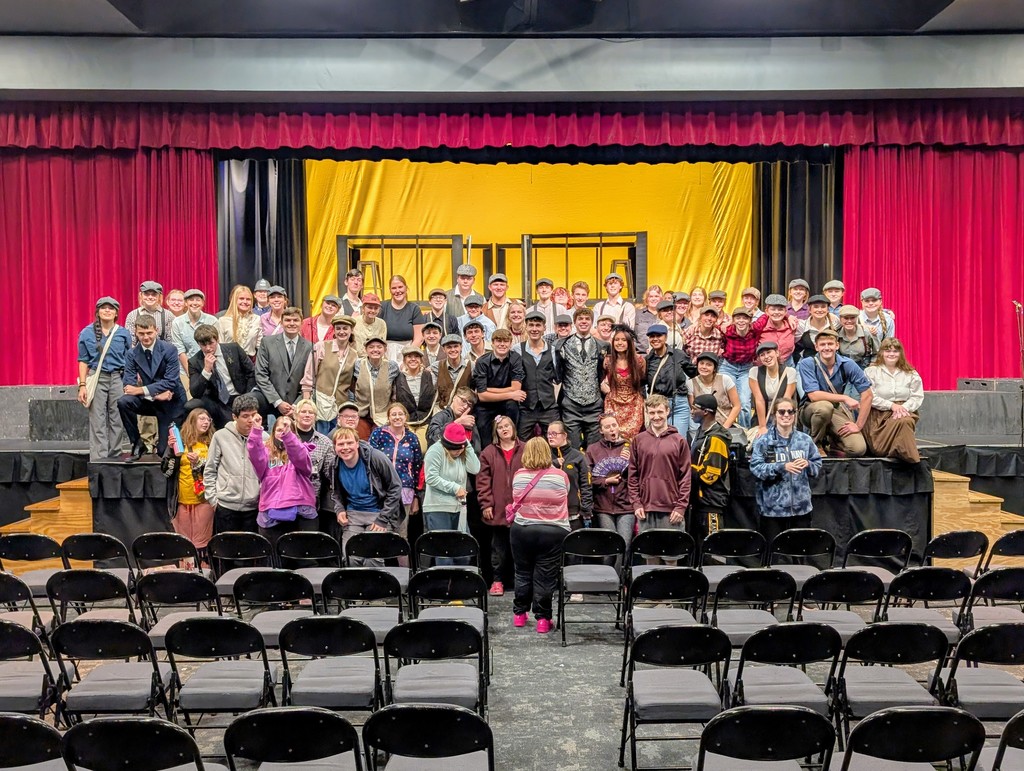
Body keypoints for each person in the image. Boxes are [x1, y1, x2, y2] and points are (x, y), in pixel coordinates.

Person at [508, 436, 570, 634]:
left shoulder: (518, 475)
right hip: (553, 532)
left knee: (522, 572)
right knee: (545, 577)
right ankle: (543, 620)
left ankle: (519, 614)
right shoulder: (560, 476)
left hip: (522, 530)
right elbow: (566, 494)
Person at [749, 397, 822, 543]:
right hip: (772, 510)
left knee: (800, 553)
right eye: (782, 412)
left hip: (801, 509)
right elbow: (756, 468)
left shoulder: (805, 440)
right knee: (772, 555)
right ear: (774, 415)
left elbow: (817, 465)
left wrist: (808, 464)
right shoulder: (764, 441)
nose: (786, 415)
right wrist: (782, 467)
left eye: (791, 411)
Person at [628, 395, 692, 557]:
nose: (656, 417)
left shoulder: (679, 441)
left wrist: (681, 506)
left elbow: (685, 477)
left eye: (660, 412)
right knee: (650, 559)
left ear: (668, 412)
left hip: (672, 510)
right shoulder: (638, 440)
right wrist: (636, 504)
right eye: (652, 412)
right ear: (647, 414)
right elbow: (632, 475)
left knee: (672, 559)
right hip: (646, 510)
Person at [118, 314, 186, 458]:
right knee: (123, 402)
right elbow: (128, 386)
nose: (146, 337)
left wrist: (141, 390)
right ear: (136, 333)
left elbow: (171, 381)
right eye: (141, 334)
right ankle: (137, 443)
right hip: (152, 400)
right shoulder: (131, 354)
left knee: (164, 451)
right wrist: (153, 394)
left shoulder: (170, 349)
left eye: (149, 333)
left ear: (156, 330)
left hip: (171, 401)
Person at [796, 328, 873, 457]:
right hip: (810, 410)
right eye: (822, 344)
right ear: (816, 347)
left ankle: (833, 443)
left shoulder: (848, 364)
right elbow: (814, 395)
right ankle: (816, 444)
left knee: (858, 449)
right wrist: (844, 398)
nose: (826, 348)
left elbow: (868, 395)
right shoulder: (807, 363)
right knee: (825, 407)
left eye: (830, 344)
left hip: (834, 411)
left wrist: (858, 425)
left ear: (837, 345)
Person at [329, 426, 403, 558]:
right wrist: (339, 509)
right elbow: (335, 492)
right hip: (353, 514)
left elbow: (395, 487)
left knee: (372, 558)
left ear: (357, 443)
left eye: (350, 443)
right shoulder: (334, 465)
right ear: (335, 447)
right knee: (350, 556)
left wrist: (383, 519)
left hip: (378, 512)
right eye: (340, 444)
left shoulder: (375, 458)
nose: (345, 447)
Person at [246, 415, 318, 549]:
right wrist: (256, 431)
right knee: (275, 561)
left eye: (287, 429)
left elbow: (301, 460)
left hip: (301, 510)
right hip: (270, 511)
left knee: (305, 559)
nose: (283, 432)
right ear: (272, 433)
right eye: (279, 429)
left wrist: (288, 437)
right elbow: (254, 452)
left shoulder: (302, 449)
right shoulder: (265, 452)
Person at [77, 296, 132, 460]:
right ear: (98, 312)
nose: (107, 310)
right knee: (97, 419)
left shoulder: (123, 333)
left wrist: (129, 382)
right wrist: (82, 385)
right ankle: (99, 458)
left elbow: (130, 358)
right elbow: (83, 360)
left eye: (111, 308)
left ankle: (114, 455)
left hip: (118, 377)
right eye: (104, 308)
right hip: (97, 377)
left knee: (117, 417)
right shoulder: (87, 332)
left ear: (116, 313)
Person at [476, 415, 524, 596]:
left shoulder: (525, 449)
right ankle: (497, 581)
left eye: (507, 426)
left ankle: (521, 581)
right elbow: (482, 481)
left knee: (521, 548)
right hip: (498, 509)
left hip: (521, 509)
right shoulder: (488, 452)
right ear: (496, 432)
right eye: (500, 427)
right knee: (498, 549)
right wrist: (486, 504)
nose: (504, 429)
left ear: (513, 427)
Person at [161, 408, 215, 562]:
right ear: (192, 421)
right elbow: (166, 472)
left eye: (208, 419)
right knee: (184, 544)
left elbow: (218, 470)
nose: (206, 422)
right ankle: (186, 576)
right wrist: (171, 451)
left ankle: (203, 574)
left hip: (204, 501)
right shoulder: (180, 442)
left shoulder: (212, 442)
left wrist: (199, 463)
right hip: (181, 501)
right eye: (202, 419)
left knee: (201, 544)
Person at [369, 402, 424, 553]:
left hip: (405, 490)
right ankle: (381, 570)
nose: (397, 417)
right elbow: (369, 460)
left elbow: (418, 466)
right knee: (380, 532)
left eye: (400, 414)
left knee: (401, 535)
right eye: (393, 414)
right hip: (381, 490)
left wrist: (416, 497)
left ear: (406, 417)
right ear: (388, 417)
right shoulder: (378, 434)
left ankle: (403, 574)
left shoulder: (412, 438)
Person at [204, 394, 263, 534]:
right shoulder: (221, 436)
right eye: (245, 416)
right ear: (234, 417)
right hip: (225, 506)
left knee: (250, 554)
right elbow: (210, 469)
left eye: (254, 415)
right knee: (226, 553)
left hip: (253, 507)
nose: (250, 420)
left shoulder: (264, 437)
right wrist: (213, 500)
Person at [555, 307, 608, 451]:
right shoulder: (561, 345)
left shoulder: (603, 345)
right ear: (574, 322)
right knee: (572, 448)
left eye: (587, 319)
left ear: (592, 322)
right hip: (571, 403)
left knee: (594, 449)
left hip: (594, 403)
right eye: (580, 319)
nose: (584, 322)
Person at [863, 338, 924, 464]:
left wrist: (903, 408)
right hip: (878, 414)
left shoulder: (911, 373)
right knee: (880, 448)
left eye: (895, 351)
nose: (891, 354)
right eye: (887, 350)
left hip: (904, 411)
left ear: (901, 353)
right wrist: (891, 406)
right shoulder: (871, 372)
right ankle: (912, 459)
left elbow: (917, 396)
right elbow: (870, 396)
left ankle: (908, 457)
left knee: (905, 420)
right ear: (881, 353)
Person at [422, 422, 481, 548]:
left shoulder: (462, 450)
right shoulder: (435, 451)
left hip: (459, 507)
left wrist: (466, 445)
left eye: (461, 448)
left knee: (463, 551)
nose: (458, 452)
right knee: (444, 554)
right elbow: (431, 478)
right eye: (455, 449)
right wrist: (455, 488)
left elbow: (475, 469)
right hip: (438, 508)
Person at [186, 324, 255, 429]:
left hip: (240, 394)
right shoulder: (194, 361)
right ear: (198, 344)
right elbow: (195, 392)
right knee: (190, 406)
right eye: (203, 345)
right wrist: (206, 370)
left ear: (217, 340)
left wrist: (247, 395)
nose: (208, 348)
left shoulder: (233, 349)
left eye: (211, 343)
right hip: (217, 400)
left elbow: (251, 372)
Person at [586, 413, 635, 558]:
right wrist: (605, 481)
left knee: (624, 546)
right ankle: (607, 578)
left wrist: (628, 468)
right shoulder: (592, 449)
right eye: (607, 427)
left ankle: (621, 579)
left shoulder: (630, 447)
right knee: (609, 548)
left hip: (626, 506)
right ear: (601, 431)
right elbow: (588, 479)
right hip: (603, 507)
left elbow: (638, 475)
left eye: (614, 425)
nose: (612, 429)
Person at [253, 306, 312, 423]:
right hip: (270, 399)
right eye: (287, 320)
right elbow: (261, 374)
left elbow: (310, 379)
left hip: (297, 402)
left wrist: (296, 406)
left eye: (295, 320)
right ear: (281, 322)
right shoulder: (267, 343)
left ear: (301, 323)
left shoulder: (310, 347)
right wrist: (277, 402)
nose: (291, 323)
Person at [301, 313, 357, 435]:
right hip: (321, 404)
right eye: (338, 328)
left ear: (351, 330)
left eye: (345, 328)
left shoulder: (354, 354)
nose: (341, 331)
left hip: (340, 406)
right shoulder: (321, 347)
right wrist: (307, 403)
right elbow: (309, 376)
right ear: (334, 330)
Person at [472, 328, 526, 446]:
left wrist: (489, 389)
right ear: (492, 343)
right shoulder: (482, 362)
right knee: (483, 433)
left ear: (510, 343)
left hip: (506, 404)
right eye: (498, 341)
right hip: (486, 407)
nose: (502, 344)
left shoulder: (515, 358)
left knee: (512, 406)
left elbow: (516, 388)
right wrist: (511, 394)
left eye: (505, 341)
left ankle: (511, 446)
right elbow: (482, 396)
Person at [292, 399, 337, 538]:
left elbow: (331, 473)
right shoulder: (287, 437)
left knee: (308, 543)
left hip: (311, 500)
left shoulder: (325, 442)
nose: (307, 415)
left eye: (311, 412)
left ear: (315, 417)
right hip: (287, 499)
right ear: (295, 415)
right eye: (303, 412)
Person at [689, 394, 732, 540]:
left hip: (711, 504)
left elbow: (709, 475)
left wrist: (685, 468)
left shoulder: (717, 438)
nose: (691, 411)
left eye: (695, 408)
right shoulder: (700, 432)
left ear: (706, 411)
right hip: (698, 502)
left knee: (713, 549)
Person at [517, 310, 560, 441]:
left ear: (544, 328)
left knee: (556, 440)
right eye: (531, 325)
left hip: (549, 407)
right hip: (526, 407)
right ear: (526, 327)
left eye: (538, 325)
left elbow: (558, 378)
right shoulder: (517, 349)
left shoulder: (553, 350)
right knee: (521, 443)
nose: (534, 329)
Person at [644, 323, 695, 431]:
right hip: (657, 406)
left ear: (666, 337)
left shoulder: (679, 355)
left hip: (679, 404)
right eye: (652, 336)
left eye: (659, 336)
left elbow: (694, 374)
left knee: (678, 438)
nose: (655, 339)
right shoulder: (648, 360)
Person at [601, 327, 646, 439]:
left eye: (623, 340)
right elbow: (601, 380)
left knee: (633, 439)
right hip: (613, 403)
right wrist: (604, 386)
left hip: (634, 404)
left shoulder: (639, 360)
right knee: (614, 436)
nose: (619, 343)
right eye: (616, 340)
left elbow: (643, 380)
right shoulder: (607, 361)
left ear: (629, 342)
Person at [547, 421, 593, 530]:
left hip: (573, 513)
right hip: (549, 514)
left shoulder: (578, 456)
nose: (550, 437)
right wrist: (553, 464)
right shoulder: (545, 456)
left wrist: (586, 510)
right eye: (548, 434)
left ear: (564, 435)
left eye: (554, 434)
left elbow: (586, 484)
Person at [351, 336, 399, 439]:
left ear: (385, 350)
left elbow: (395, 390)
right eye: (371, 347)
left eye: (379, 347)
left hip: (382, 415)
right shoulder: (358, 364)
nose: (375, 350)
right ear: (366, 350)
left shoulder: (392, 366)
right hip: (361, 414)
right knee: (359, 439)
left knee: (381, 440)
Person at [748, 342, 798, 441]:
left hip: (784, 415)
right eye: (762, 355)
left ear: (777, 353)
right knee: (760, 442)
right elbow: (759, 400)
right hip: (763, 416)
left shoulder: (790, 372)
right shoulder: (754, 372)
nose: (766, 357)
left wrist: (781, 424)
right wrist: (762, 426)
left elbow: (786, 400)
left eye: (769, 352)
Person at [719, 307, 759, 427]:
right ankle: (723, 431)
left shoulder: (754, 331)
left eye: (745, 318)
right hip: (728, 366)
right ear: (733, 320)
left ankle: (744, 433)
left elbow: (767, 316)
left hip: (746, 369)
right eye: (738, 318)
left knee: (745, 404)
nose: (741, 321)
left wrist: (789, 316)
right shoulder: (727, 331)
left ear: (750, 320)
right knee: (724, 401)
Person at [688, 352, 741, 433]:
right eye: (701, 363)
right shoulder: (690, 383)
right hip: (704, 428)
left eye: (709, 365)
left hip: (726, 426)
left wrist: (725, 428)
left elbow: (737, 406)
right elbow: (694, 410)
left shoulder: (725, 380)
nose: (704, 367)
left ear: (714, 368)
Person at [392, 345, 437, 442]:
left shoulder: (430, 376)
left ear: (421, 360)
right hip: (405, 422)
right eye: (409, 356)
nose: (413, 359)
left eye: (416, 356)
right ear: (404, 360)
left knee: (422, 448)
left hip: (425, 421)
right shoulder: (397, 378)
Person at [170, 289, 217, 373]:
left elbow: (215, 346)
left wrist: (207, 369)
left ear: (202, 303)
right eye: (191, 300)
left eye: (198, 300)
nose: (194, 303)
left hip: (210, 366)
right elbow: (180, 350)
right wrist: (191, 372)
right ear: (186, 303)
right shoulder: (177, 322)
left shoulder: (212, 321)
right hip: (185, 369)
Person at [379, 275, 425, 362]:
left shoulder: (414, 309)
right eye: (394, 288)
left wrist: (408, 355)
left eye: (400, 287)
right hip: (384, 354)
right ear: (390, 290)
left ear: (406, 288)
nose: (397, 291)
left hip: (408, 354)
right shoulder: (382, 307)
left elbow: (419, 338)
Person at [427, 386, 481, 451]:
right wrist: (456, 423)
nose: (465, 406)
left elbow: (477, 449)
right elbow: (432, 439)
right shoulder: (441, 416)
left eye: (469, 405)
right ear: (454, 397)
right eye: (463, 401)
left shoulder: (469, 422)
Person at [218, 284, 263, 359]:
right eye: (241, 298)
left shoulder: (257, 319)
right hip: (229, 361)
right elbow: (220, 346)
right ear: (235, 300)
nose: (245, 302)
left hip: (250, 362)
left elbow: (260, 346)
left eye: (248, 299)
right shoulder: (223, 321)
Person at [752, 294, 797, 365]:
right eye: (773, 309)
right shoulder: (760, 327)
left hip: (787, 364)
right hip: (764, 366)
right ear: (767, 311)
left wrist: (789, 317)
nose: (776, 312)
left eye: (780, 309)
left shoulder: (792, 325)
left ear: (785, 312)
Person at [793, 294, 839, 363]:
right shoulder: (801, 326)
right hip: (808, 364)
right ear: (809, 310)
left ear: (828, 309)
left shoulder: (835, 323)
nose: (819, 310)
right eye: (816, 307)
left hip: (830, 363)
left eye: (823, 307)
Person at [433, 333, 473, 411]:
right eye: (449, 347)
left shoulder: (471, 366)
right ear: (443, 349)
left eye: (456, 346)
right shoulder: (436, 366)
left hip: (465, 410)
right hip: (443, 411)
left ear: (461, 347)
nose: (453, 350)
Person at [125, 281, 173, 345]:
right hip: (138, 353)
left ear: (159, 296)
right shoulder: (132, 315)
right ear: (141, 295)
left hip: (162, 353)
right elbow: (130, 341)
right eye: (146, 294)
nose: (150, 297)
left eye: (154, 294)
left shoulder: (168, 315)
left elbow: (171, 341)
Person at [837, 305, 878, 369]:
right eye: (846, 318)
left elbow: (877, 353)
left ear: (857, 318)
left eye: (852, 318)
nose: (849, 321)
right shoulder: (837, 335)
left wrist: (871, 366)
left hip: (863, 367)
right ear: (840, 319)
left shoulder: (867, 333)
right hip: (843, 368)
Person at [634, 284, 663, 350]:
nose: (653, 299)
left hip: (661, 354)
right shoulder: (637, 314)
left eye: (656, 296)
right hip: (641, 354)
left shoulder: (665, 314)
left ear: (661, 299)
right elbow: (631, 334)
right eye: (651, 296)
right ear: (646, 299)